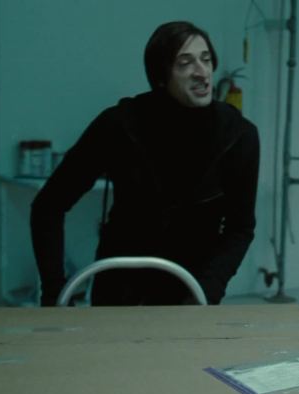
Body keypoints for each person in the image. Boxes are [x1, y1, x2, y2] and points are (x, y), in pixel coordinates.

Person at [31, 21, 259, 306]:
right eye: (185, 63)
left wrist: (208, 289)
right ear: (160, 75)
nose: (202, 73)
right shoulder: (120, 125)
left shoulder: (237, 135)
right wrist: (54, 293)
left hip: (191, 289)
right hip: (119, 288)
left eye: (206, 59)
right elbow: (48, 206)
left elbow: (240, 227)